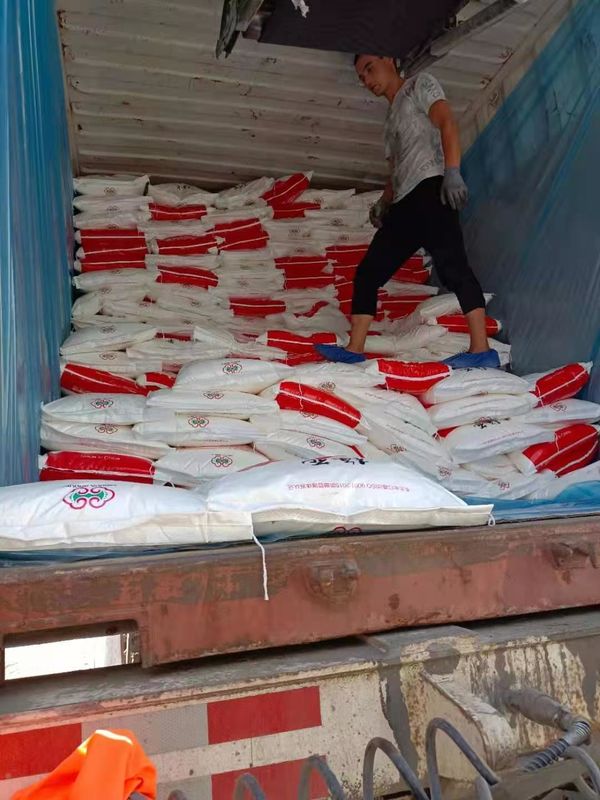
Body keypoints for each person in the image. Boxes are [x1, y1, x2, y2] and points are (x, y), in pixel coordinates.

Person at [315, 54, 499, 369]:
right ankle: (355, 348)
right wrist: (384, 201)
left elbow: (447, 122)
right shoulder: (389, 122)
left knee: (454, 268)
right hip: (403, 204)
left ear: (389, 59)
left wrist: (452, 171)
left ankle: (481, 350)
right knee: (368, 273)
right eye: (361, 77)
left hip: (431, 190)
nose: (366, 80)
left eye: (369, 69)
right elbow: (396, 170)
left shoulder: (419, 86)